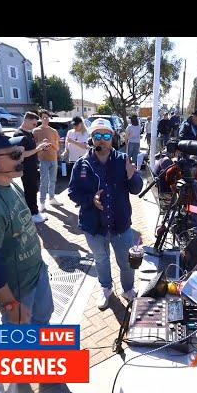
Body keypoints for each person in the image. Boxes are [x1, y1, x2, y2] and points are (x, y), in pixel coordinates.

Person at [0, 132, 53, 326]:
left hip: (37, 274)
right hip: (18, 292)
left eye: (19, 153)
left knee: (43, 321)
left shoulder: (10, 184)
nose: (21, 158)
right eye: (14, 156)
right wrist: (11, 305)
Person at [68, 118, 143, 310]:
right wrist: (90, 200)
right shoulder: (82, 164)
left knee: (126, 261)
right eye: (97, 136)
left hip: (120, 224)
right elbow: (72, 193)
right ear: (92, 139)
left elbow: (136, 189)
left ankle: (128, 289)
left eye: (106, 136)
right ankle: (106, 289)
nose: (102, 140)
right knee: (101, 260)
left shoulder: (122, 160)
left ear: (113, 138)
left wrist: (131, 174)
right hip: (93, 225)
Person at [13, 111, 52, 224]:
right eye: (34, 124)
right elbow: (22, 154)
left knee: (33, 190)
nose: (35, 126)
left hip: (33, 167)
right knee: (30, 191)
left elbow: (32, 147)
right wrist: (38, 149)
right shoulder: (18, 134)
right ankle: (33, 214)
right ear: (26, 120)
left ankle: (34, 212)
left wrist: (41, 145)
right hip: (26, 168)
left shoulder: (29, 133)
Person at [33, 109, 61, 210]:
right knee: (43, 181)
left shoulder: (53, 131)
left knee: (53, 180)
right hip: (42, 160)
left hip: (53, 159)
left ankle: (52, 198)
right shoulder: (35, 131)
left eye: (47, 117)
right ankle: (42, 202)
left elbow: (57, 148)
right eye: (43, 117)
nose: (45, 119)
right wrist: (42, 143)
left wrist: (51, 143)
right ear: (40, 118)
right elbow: (33, 147)